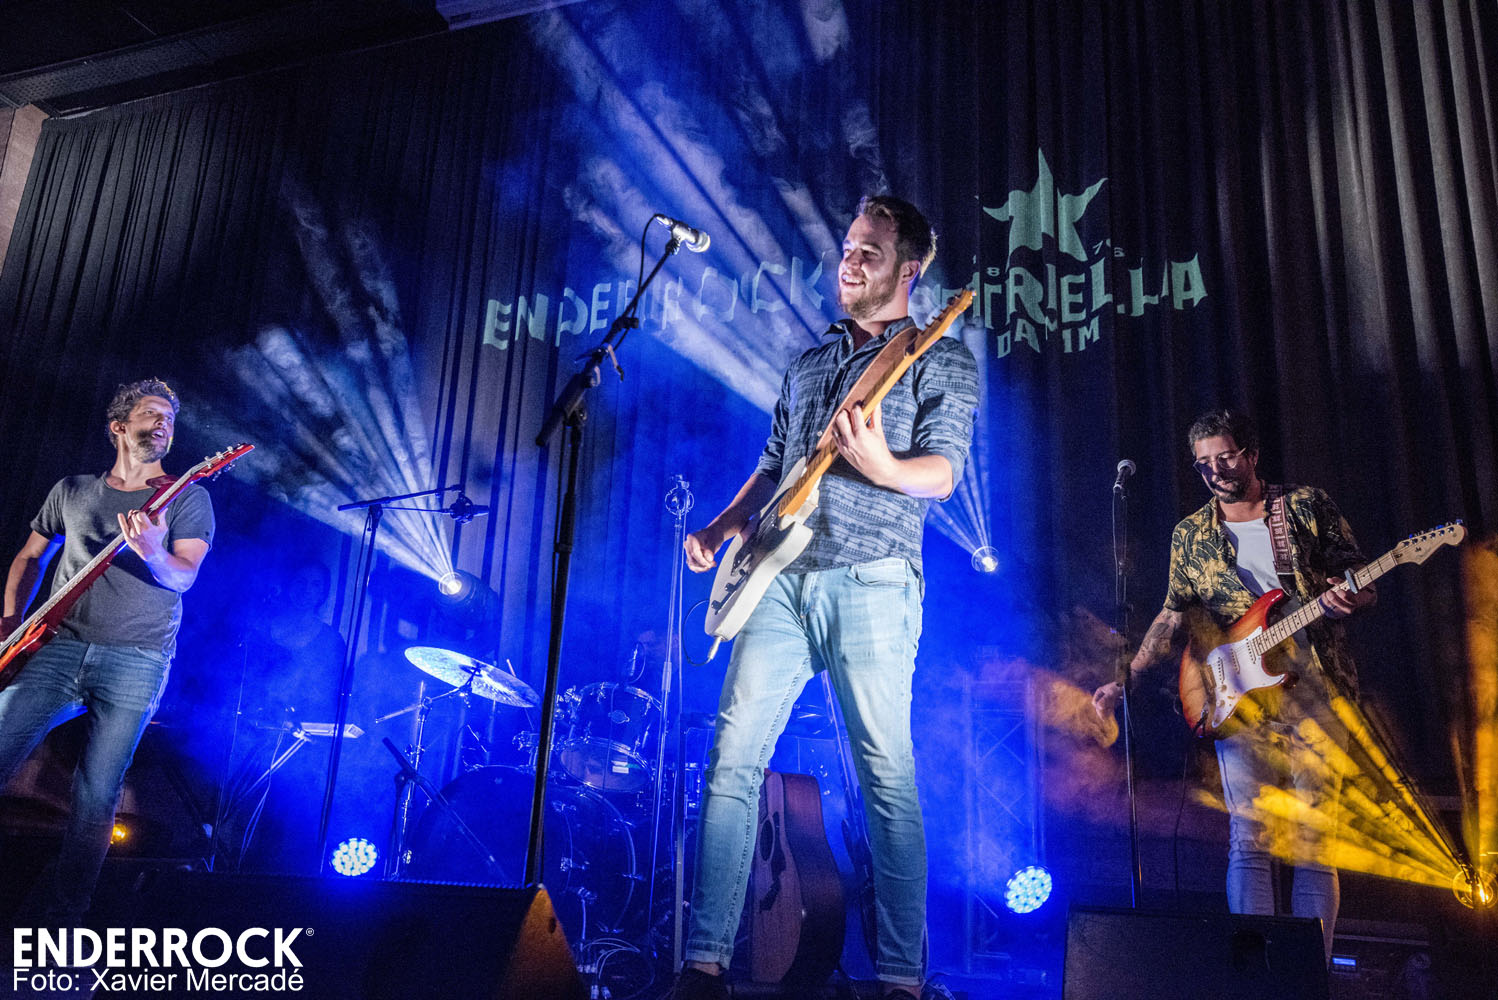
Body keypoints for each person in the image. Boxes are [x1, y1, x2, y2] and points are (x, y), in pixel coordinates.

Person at [673, 196, 978, 1000]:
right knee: (732, 761)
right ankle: (704, 966)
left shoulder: (937, 354)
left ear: (910, 269)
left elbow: (943, 472)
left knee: (886, 777)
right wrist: (723, 525)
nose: (850, 261)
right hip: (777, 578)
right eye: (848, 247)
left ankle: (902, 979)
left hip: (874, 576)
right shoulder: (809, 363)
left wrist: (884, 467)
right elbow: (774, 461)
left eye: (870, 251)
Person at [1092, 408, 1374, 961]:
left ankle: (1309, 975)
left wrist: (1349, 597)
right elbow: (1172, 615)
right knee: (1249, 841)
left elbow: (1361, 581)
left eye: (1225, 457)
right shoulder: (1191, 534)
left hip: (1317, 689)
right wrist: (1126, 678)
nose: (1215, 471)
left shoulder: (1305, 506)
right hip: (1238, 697)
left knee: (1315, 843)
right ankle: (1257, 974)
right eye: (1203, 463)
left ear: (1251, 454)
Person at [0, 378, 214, 923]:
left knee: (97, 795)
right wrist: (9, 620)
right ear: (120, 426)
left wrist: (152, 551)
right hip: (58, 646)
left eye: (169, 417)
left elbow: (184, 576)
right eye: (151, 413)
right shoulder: (72, 490)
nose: (163, 423)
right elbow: (30, 556)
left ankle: (61, 921)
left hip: (137, 660)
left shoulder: (187, 496)